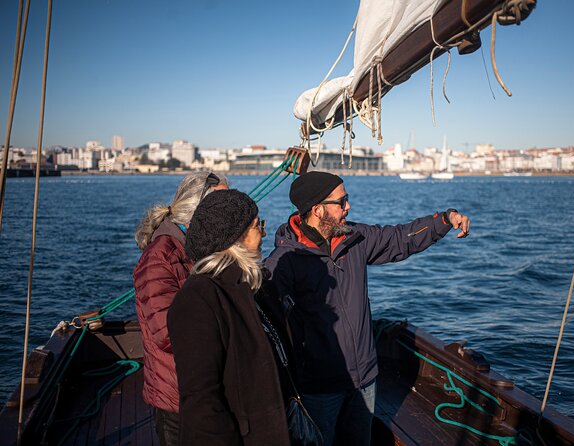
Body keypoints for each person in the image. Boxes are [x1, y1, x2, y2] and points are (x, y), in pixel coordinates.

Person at [264, 171, 470, 446]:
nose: (348, 206)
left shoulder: (354, 239)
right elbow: (267, 322)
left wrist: (443, 221)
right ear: (317, 209)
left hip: (365, 378)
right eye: (342, 201)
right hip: (318, 388)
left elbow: (400, 239)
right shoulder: (285, 261)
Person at [167, 189, 290, 446]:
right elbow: (201, 404)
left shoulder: (251, 288)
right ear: (236, 238)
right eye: (258, 226)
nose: (264, 233)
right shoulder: (198, 300)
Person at [133, 172, 228, 446]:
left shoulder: (201, 249)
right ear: (198, 210)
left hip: (205, 387)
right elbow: (167, 333)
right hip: (178, 395)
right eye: (220, 205)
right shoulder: (159, 258)